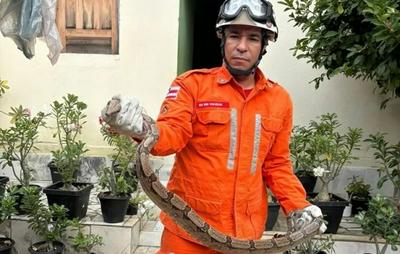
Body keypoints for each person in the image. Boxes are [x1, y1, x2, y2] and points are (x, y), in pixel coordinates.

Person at [101, 0, 326, 253]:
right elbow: (172, 133)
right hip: (186, 236)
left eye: (252, 38)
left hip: (246, 239)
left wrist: (298, 205)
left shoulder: (279, 100)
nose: (241, 46)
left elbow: (277, 164)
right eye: (234, 36)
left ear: (264, 45)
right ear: (222, 39)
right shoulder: (191, 86)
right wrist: (141, 128)